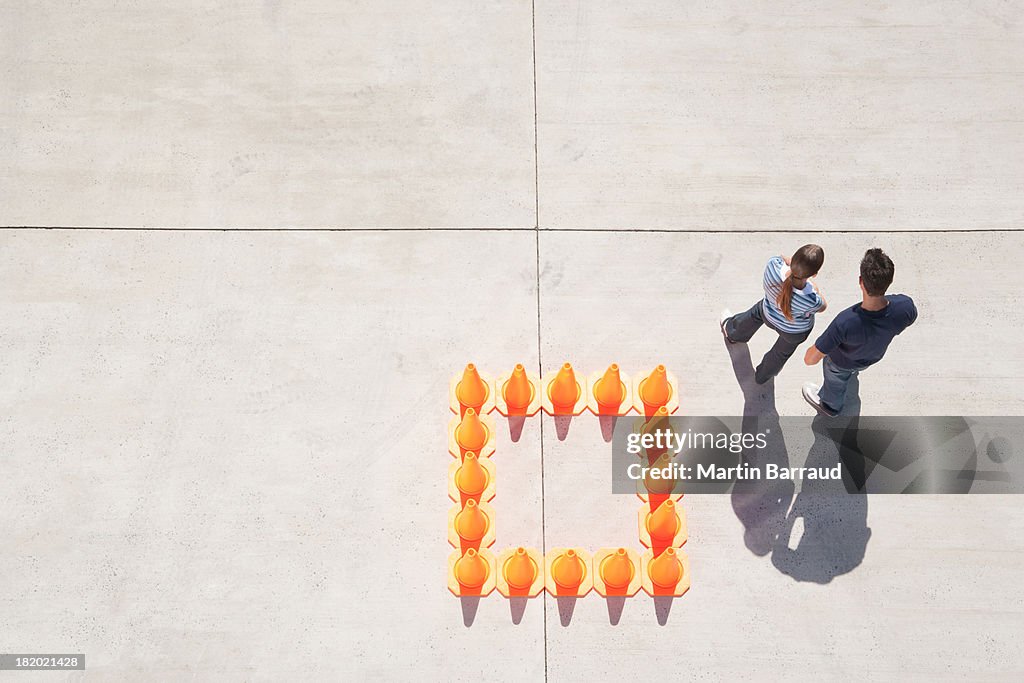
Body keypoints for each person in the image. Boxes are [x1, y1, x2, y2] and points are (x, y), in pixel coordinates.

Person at [802, 248, 918, 416]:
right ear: (890, 280)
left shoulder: (845, 322)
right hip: (872, 357)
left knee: (836, 380)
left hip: (840, 363)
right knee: (853, 370)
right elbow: (909, 318)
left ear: (861, 282)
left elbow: (810, 359)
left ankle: (830, 406)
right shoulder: (905, 306)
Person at [720, 244, 827, 384]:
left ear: (793, 259)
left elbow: (781, 258)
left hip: (768, 313)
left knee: (753, 315)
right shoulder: (811, 299)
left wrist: (791, 264)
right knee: (780, 354)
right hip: (793, 332)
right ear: (814, 274)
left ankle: (733, 333)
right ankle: (763, 376)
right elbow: (823, 306)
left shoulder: (773, 265)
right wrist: (814, 288)